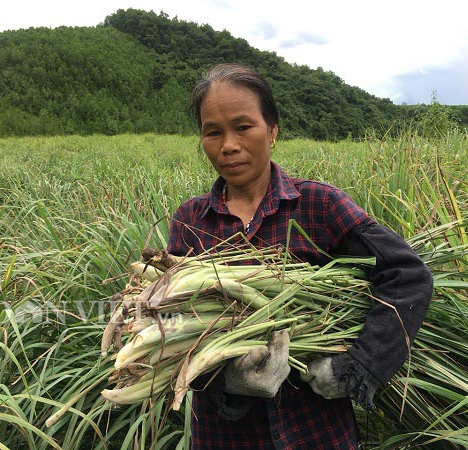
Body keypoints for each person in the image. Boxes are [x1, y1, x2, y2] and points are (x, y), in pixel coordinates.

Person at [166, 63, 433, 450]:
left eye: (243, 127)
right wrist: (226, 380)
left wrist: (356, 367)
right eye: (213, 132)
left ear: (272, 130)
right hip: (224, 435)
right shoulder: (190, 221)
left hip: (315, 432)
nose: (228, 145)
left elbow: (406, 275)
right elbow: (169, 328)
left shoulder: (318, 204)